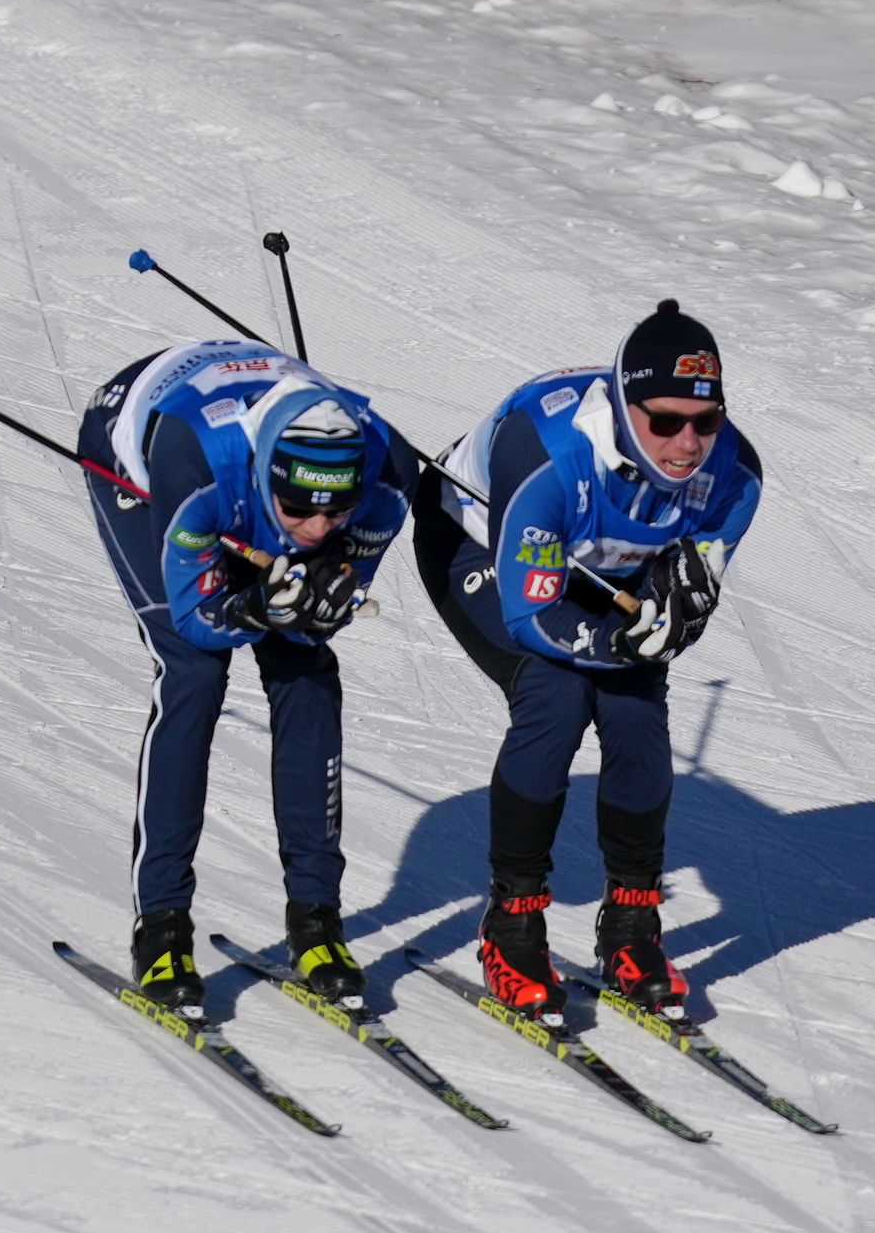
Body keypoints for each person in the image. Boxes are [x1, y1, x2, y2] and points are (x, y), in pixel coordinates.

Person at [411, 302, 765, 1020]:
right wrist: (614, 644)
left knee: (636, 716)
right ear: (623, 402)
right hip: (479, 543)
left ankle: (631, 926)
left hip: (605, 561)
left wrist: (675, 620)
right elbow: (533, 613)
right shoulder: (544, 457)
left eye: (706, 420)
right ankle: (511, 926)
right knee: (556, 697)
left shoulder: (736, 474)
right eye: (664, 421)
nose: (687, 442)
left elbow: (685, 595)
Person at [77, 340, 414, 1017]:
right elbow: (199, 617)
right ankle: (162, 927)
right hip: (142, 447)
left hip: (249, 440)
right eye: (300, 511)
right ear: (269, 479)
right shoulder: (196, 461)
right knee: (194, 673)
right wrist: (254, 603)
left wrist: (321, 589)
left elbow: (328, 599)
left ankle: (317, 921)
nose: (319, 529)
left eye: (336, 512)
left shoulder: (387, 472)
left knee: (305, 666)